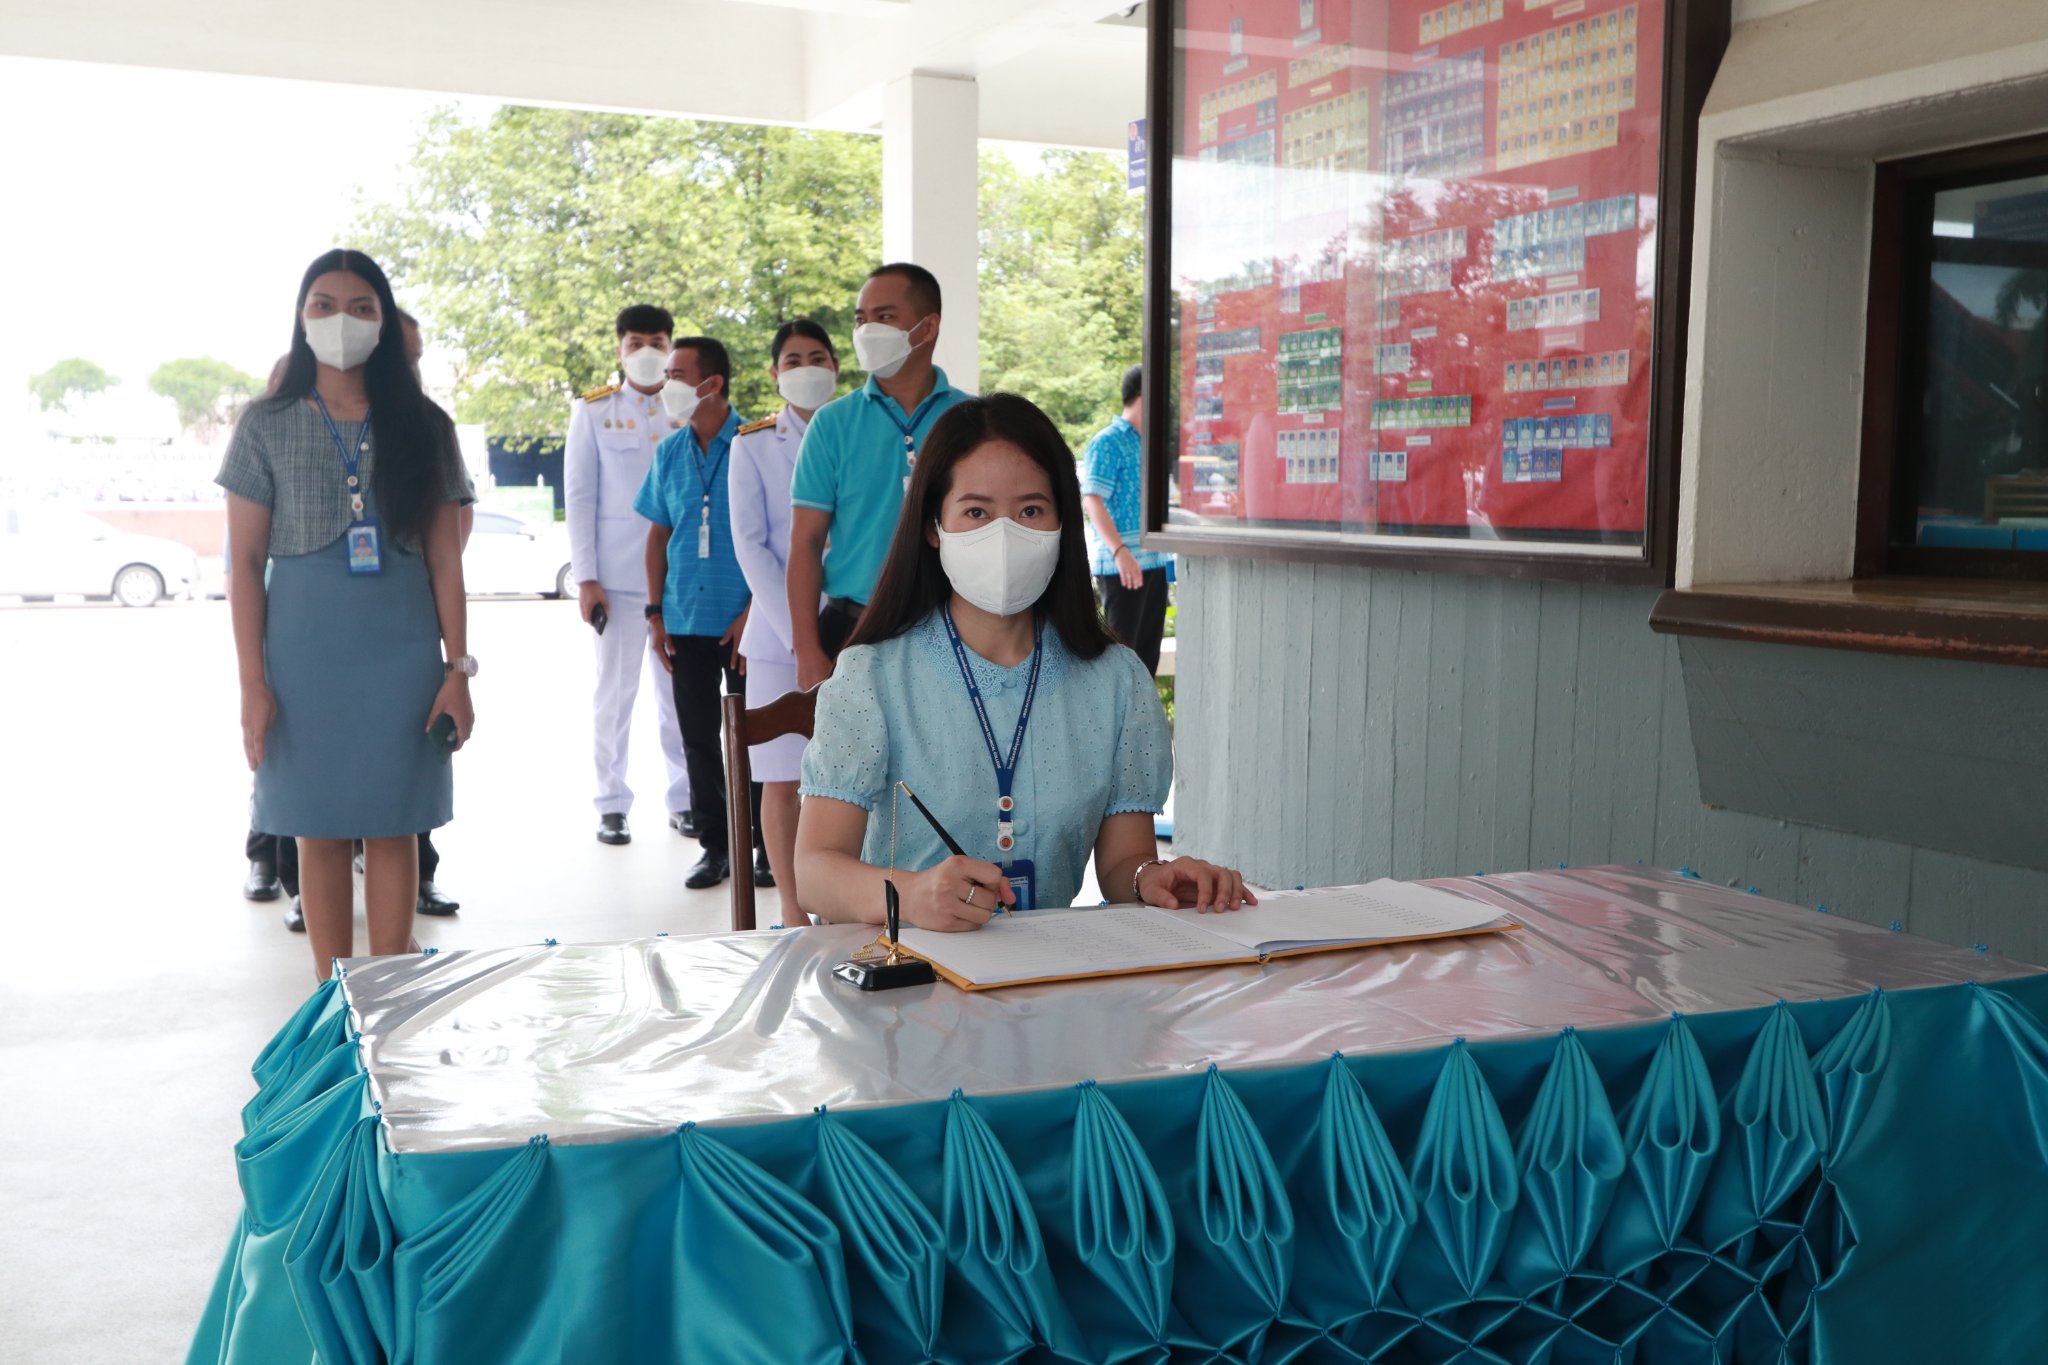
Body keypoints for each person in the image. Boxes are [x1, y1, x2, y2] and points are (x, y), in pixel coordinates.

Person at [795, 393, 1251, 931]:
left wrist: (1149, 878)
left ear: (1063, 524)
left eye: (1031, 510)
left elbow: (1123, 863)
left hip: (1047, 970)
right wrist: (911, 894)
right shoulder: (872, 677)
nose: (1005, 533)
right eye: (976, 512)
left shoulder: (1117, 680)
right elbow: (815, 871)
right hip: (905, 966)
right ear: (933, 527)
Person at [218, 249, 476, 980]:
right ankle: (332, 1000)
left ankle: (387, 995)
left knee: (396, 822)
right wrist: (252, 683)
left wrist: (458, 670)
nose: (342, 320)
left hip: (402, 650)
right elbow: (243, 565)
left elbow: (447, 561)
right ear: (301, 319)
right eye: (323, 305)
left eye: (362, 307)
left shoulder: (426, 425)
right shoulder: (264, 423)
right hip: (301, 653)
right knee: (319, 828)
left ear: (384, 322)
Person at [786, 263, 975, 692]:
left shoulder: (970, 420)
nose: (867, 329)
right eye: (861, 319)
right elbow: (806, 542)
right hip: (851, 631)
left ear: (928, 327)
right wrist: (807, 649)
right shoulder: (831, 423)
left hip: (952, 631)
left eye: (884, 316)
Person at [635, 337, 765, 890]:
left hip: (747, 624)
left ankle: (764, 845)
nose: (666, 385)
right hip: (684, 619)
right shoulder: (669, 451)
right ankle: (716, 847)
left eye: (677, 375)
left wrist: (757, 611)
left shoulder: (757, 444)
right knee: (698, 740)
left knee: (759, 737)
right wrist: (654, 613)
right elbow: (657, 535)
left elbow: (780, 538)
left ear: (711, 384)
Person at [564, 304, 694, 846]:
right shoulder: (594, 410)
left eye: (657, 342)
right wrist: (586, 578)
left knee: (678, 698)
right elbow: (580, 497)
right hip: (616, 579)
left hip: (679, 579)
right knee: (615, 697)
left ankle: (685, 800)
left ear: (670, 348)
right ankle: (611, 804)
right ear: (619, 349)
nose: (646, 351)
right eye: (635, 342)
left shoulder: (685, 407)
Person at [728, 319, 840, 913]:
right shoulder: (751, 444)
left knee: (854, 774)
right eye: (793, 360)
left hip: (854, 624)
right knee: (782, 778)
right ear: (774, 373)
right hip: (778, 638)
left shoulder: (855, 431)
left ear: (836, 367)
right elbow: (751, 545)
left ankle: (845, 902)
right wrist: (802, 633)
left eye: (817, 357)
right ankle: (794, 911)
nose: (806, 369)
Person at [1080, 363, 1172, 675]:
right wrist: (1120, 552)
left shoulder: (1150, 442)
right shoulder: (1108, 441)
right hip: (1122, 566)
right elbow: (1092, 499)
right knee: (1119, 662)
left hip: (1154, 562)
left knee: (1146, 662)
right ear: (1143, 394)